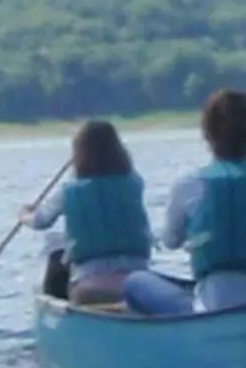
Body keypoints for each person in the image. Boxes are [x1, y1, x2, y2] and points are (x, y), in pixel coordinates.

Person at [123, 89, 246, 317]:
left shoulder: (188, 184)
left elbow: (171, 241)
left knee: (135, 281)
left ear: (207, 135)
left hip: (211, 310)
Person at [23, 119, 153, 306]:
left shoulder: (69, 191)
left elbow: (40, 221)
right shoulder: (135, 182)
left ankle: (59, 312)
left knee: (56, 248)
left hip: (90, 287)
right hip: (139, 279)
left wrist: (24, 214)